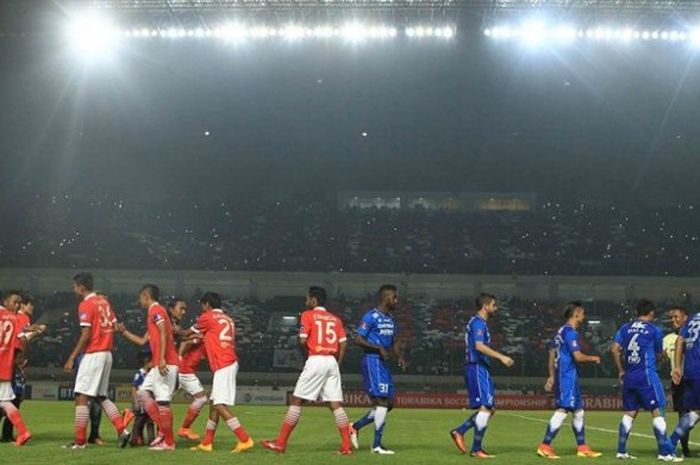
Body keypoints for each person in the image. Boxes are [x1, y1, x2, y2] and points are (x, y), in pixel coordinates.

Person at [261, 286, 352, 454]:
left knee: (296, 401)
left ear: (314, 300)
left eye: (307, 298)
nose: (306, 301)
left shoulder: (308, 315)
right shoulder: (335, 319)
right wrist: (337, 361)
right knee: (335, 404)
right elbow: (343, 342)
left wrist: (306, 351)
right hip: (331, 361)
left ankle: (280, 443)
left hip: (316, 358)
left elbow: (302, 341)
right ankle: (346, 446)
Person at [63, 273, 130, 450]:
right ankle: (122, 430)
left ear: (81, 287)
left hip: (94, 353)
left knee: (81, 396)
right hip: (107, 353)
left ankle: (79, 442)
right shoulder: (104, 301)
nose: (74, 289)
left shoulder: (85, 304)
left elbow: (86, 334)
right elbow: (115, 326)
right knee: (101, 397)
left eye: (75, 286)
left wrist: (71, 357)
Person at [183, 292, 254, 454]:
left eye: (202, 306)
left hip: (223, 364)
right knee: (214, 404)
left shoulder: (207, 317)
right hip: (228, 361)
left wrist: (173, 330)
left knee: (219, 405)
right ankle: (207, 443)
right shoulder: (228, 319)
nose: (202, 309)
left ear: (207, 305)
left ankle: (244, 438)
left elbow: (187, 333)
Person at [612, 299, 680, 462]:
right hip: (646, 376)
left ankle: (621, 450)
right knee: (657, 411)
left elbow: (614, 348)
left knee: (629, 413)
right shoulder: (653, 330)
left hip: (629, 376)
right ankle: (664, 453)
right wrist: (663, 356)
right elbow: (658, 354)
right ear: (651, 313)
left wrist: (621, 370)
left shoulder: (625, 328)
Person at [449, 292, 515, 458]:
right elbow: (479, 346)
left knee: (489, 408)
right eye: (494, 305)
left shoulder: (479, 323)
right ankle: (476, 449)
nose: (496, 308)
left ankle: (460, 431)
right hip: (477, 367)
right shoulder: (478, 323)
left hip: (481, 368)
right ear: (485, 306)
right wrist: (502, 357)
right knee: (485, 408)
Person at [117, 284, 179, 451]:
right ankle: (163, 432)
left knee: (163, 403)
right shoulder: (154, 313)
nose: (139, 301)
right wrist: (123, 332)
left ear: (146, 296)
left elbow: (164, 332)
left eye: (140, 298)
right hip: (160, 364)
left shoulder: (155, 310)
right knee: (143, 393)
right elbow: (142, 341)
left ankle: (169, 441)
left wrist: (161, 359)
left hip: (165, 363)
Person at [536, 301, 602, 459]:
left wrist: (551, 375)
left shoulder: (560, 331)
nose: (584, 316)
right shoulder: (570, 332)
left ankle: (582, 447)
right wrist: (594, 358)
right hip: (567, 376)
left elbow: (552, 353)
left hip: (564, 375)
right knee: (563, 409)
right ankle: (545, 445)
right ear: (576, 313)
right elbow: (578, 357)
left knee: (579, 411)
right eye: (583, 313)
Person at [350, 284, 406, 455]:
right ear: (386, 298)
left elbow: (394, 341)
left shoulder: (390, 319)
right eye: (394, 297)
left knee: (388, 404)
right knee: (381, 402)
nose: (396, 300)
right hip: (372, 361)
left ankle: (354, 427)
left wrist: (400, 356)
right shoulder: (371, 316)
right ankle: (376, 446)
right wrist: (377, 348)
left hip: (383, 363)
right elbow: (358, 339)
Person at [168, 298, 207, 441]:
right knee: (201, 398)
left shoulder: (178, 324)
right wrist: (178, 359)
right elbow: (184, 342)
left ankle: (133, 414)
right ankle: (184, 428)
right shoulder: (199, 332)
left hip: (179, 367)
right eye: (181, 308)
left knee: (162, 400)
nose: (183, 312)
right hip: (184, 369)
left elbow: (182, 337)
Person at [0, 290, 31, 446]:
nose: (18, 305)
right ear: (5, 302)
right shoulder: (15, 319)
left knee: (5, 402)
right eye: (15, 302)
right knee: (5, 402)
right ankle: (23, 431)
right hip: (5, 367)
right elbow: (22, 341)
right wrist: (21, 360)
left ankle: (22, 431)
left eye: (19, 302)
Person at [665, 305, 692, 457]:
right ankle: (685, 449)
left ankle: (674, 441)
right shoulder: (667, 338)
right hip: (678, 381)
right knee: (683, 414)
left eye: (676, 316)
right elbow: (661, 356)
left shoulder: (693, 335)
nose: (673, 319)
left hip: (693, 377)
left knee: (692, 414)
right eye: (672, 317)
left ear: (686, 317)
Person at [126, 351, 156, 447]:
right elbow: (134, 387)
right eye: (152, 362)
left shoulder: (152, 374)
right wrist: (136, 402)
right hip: (141, 401)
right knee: (139, 421)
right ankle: (135, 440)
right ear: (147, 362)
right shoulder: (140, 374)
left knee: (150, 421)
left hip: (149, 401)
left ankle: (152, 441)